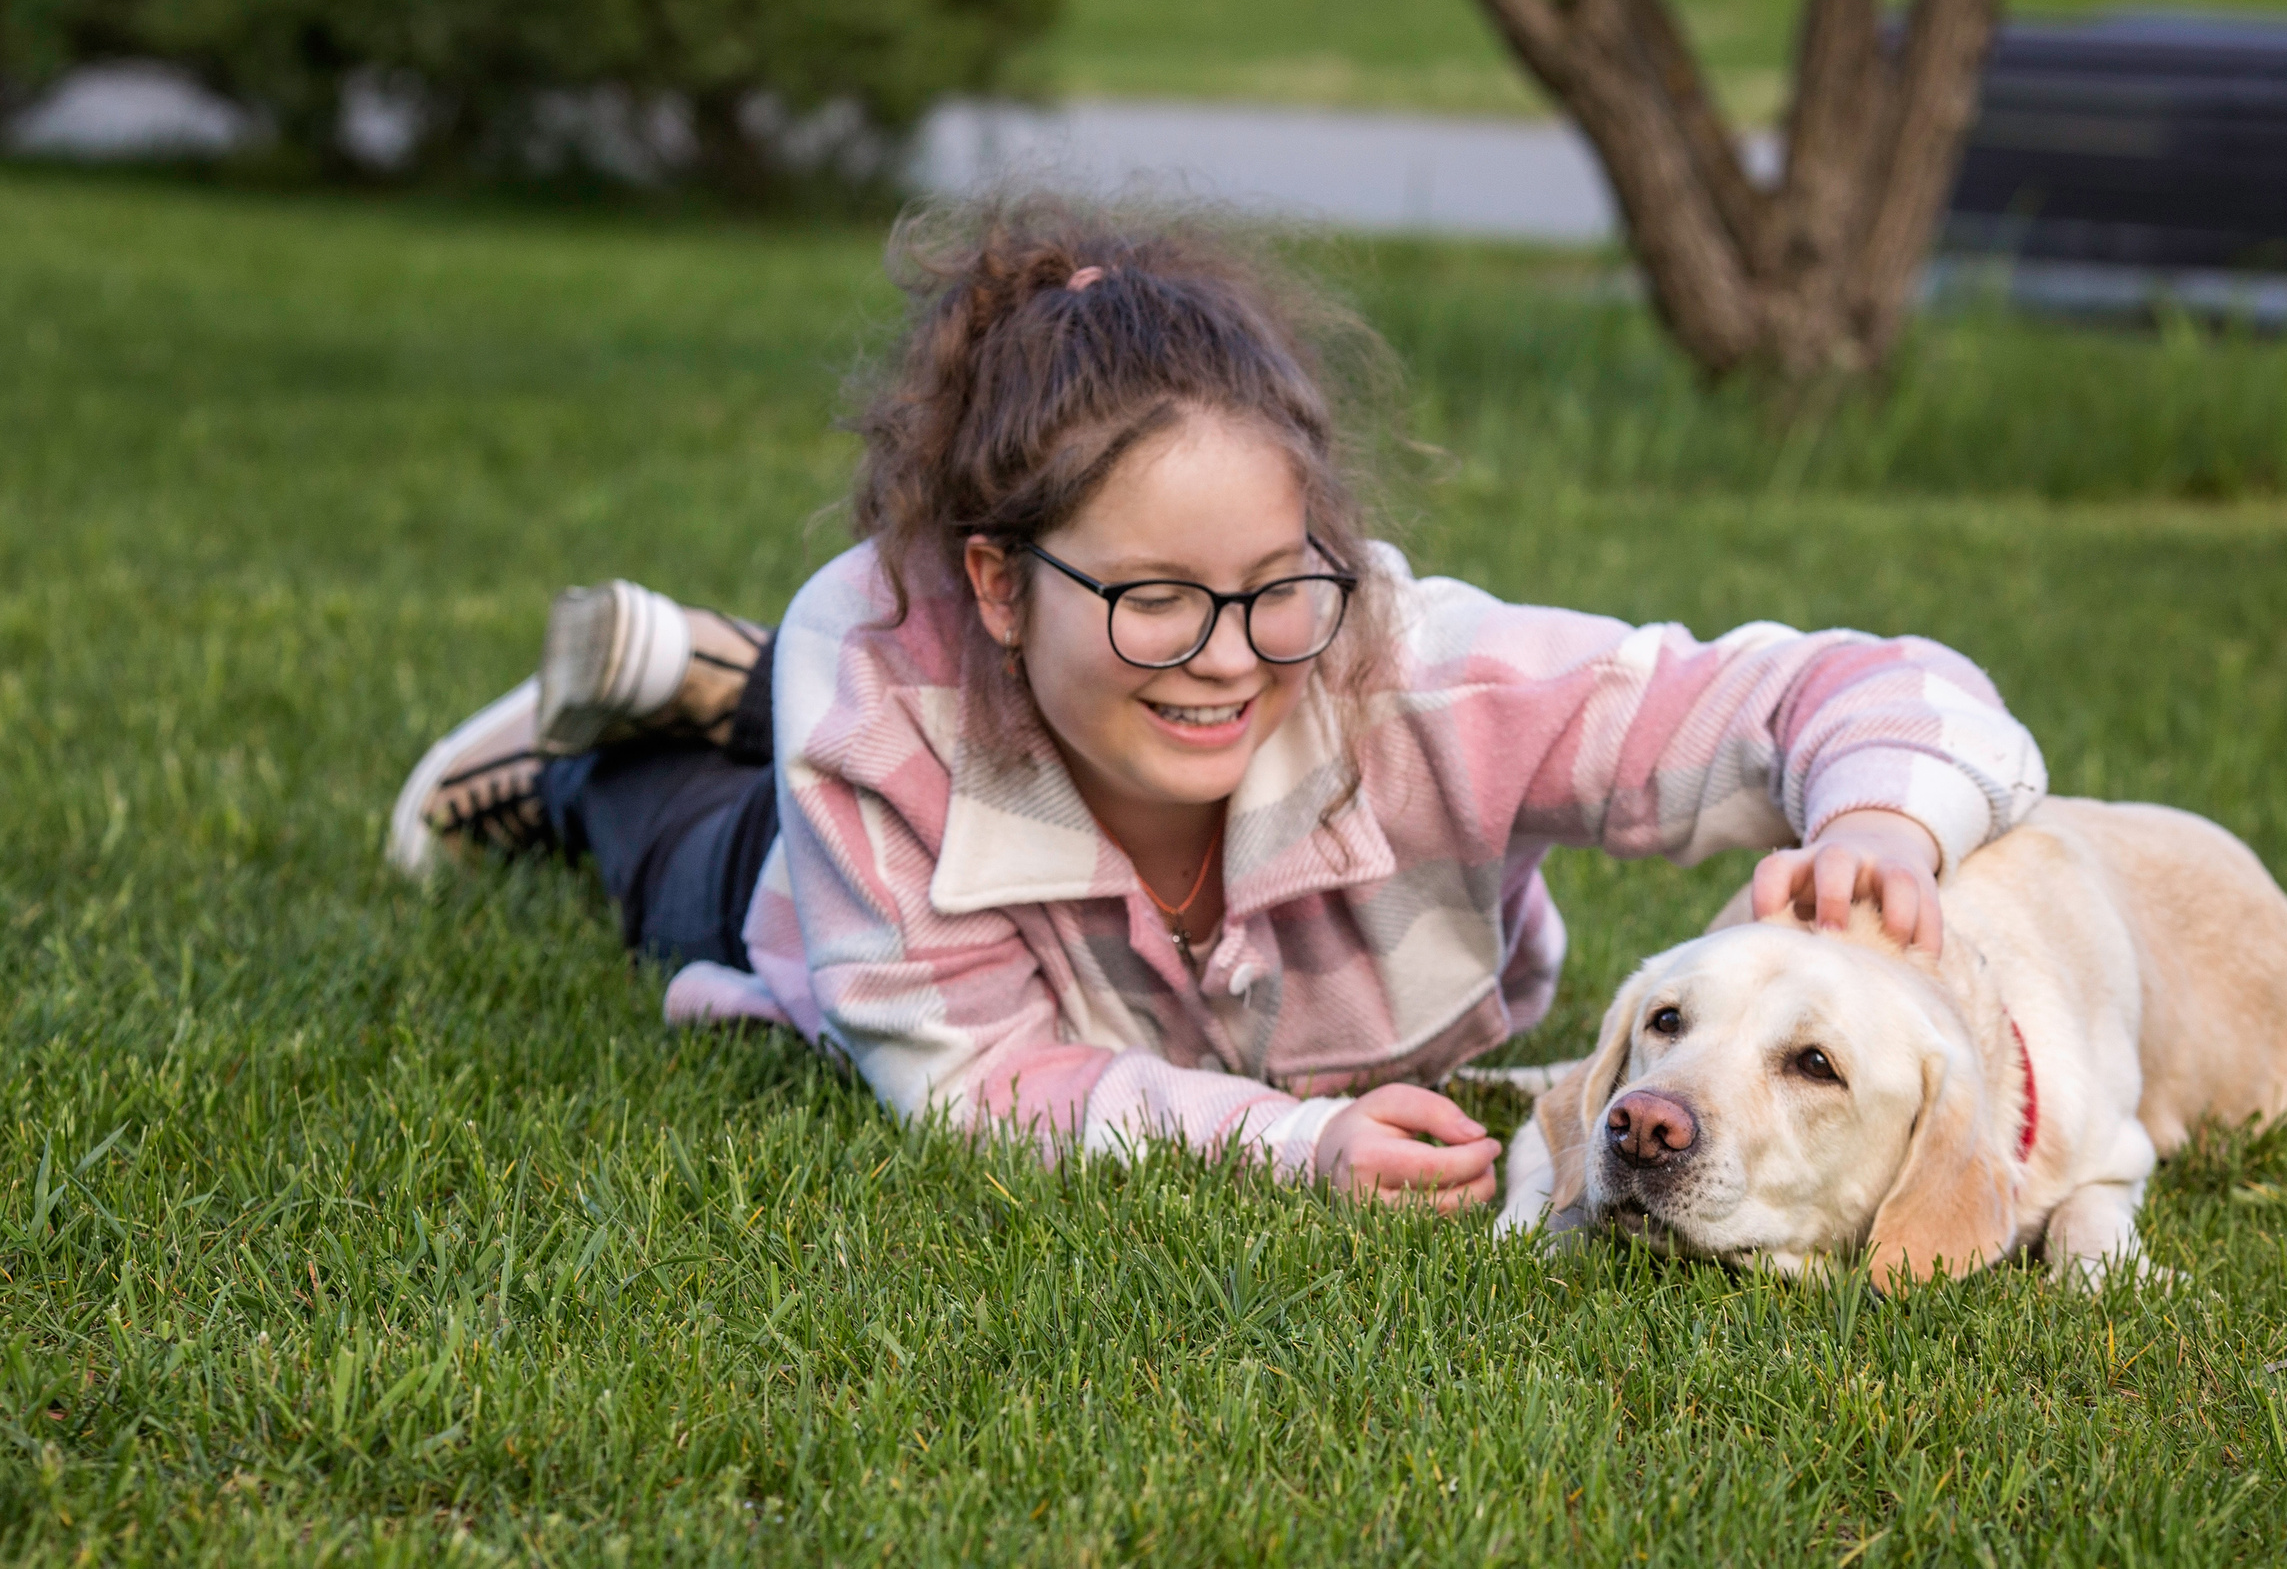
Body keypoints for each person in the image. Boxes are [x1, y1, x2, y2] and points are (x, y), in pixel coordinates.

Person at [386, 197, 2048, 1213]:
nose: (1233, 655)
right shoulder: (886, 731)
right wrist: (1284, 1148)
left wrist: (1881, 811)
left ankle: (730, 671)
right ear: (996, 585)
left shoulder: (1414, 672)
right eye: (1157, 598)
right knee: (684, 850)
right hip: (805, 867)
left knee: (1150, 663)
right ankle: (598, 755)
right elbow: (983, 1086)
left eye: (1273, 584)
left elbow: (1858, 689)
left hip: (976, 701)